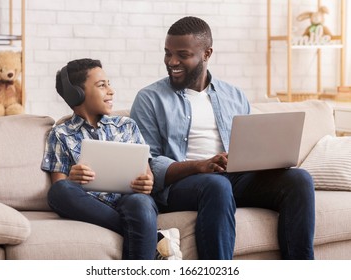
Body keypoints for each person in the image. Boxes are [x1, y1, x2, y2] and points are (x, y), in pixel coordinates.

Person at [130, 16, 315, 260]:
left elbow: (250, 147)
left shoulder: (234, 95)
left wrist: (270, 160)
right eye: (167, 53)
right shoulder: (149, 98)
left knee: (299, 180)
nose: (172, 62)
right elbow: (149, 164)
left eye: (182, 55)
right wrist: (200, 166)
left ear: (206, 54)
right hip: (182, 185)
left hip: (232, 179)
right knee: (216, 184)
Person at [41, 58, 173, 260]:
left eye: (109, 84)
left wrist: (147, 182)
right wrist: (71, 179)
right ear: (78, 93)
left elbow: (146, 174)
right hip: (90, 204)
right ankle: (151, 236)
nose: (111, 91)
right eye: (102, 85)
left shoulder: (127, 126)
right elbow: (59, 187)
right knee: (60, 191)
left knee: (141, 203)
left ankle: (143, 231)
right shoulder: (60, 134)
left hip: (130, 201)